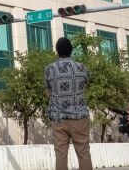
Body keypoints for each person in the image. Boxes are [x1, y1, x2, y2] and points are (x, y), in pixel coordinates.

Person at [45, 37, 93, 170]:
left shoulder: (49, 69)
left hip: (58, 119)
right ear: (71, 50)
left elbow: (48, 94)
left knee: (60, 155)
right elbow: (85, 86)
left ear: (57, 51)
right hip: (79, 117)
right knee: (83, 153)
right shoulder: (81, 67)